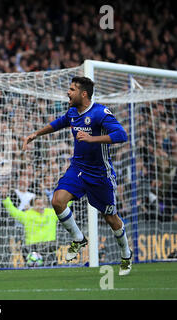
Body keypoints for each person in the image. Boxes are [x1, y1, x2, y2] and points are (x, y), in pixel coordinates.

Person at [22, 76, 132, 276]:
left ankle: (125, 253)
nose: (68, 92)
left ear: (83, 94)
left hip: (100, 174)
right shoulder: (73, 112)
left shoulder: (100, 113)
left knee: (111, 218)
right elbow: (58, 123)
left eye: (72, 89)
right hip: (78, 169)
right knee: (57, 201)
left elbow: (121, 135)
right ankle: (78, 238)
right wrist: (36, 134)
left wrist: (92, 139)